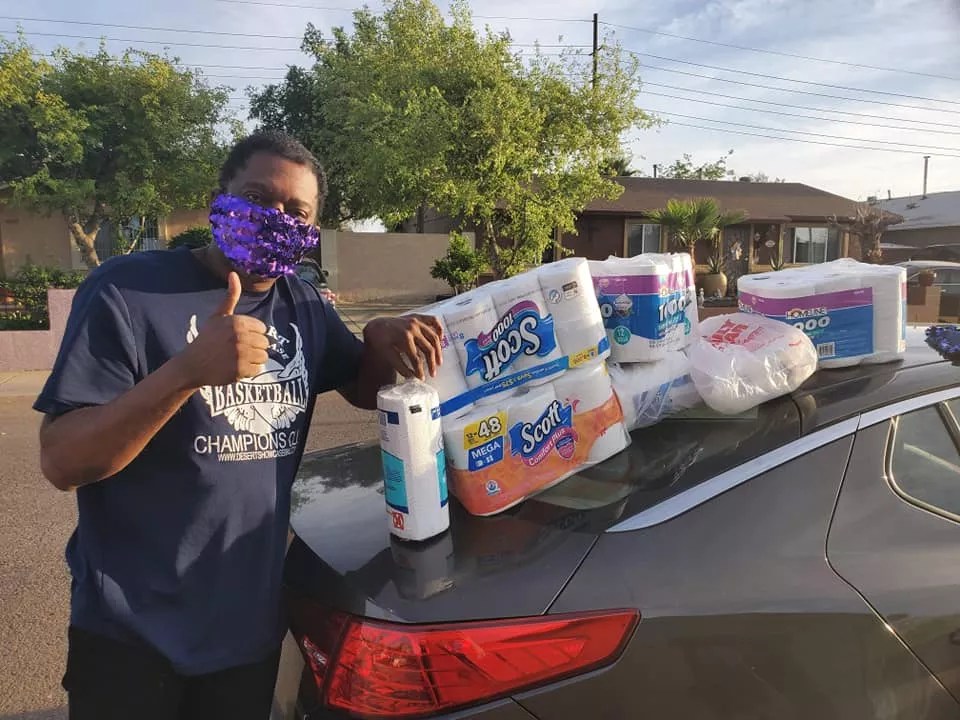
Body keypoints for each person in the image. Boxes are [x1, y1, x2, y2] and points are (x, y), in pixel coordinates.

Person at [34, 130, 444, 720]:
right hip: (131, 632)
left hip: (245, 634)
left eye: (296, 212)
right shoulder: (129, 291)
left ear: (310, 231)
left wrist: (381, 337)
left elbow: (362, 386)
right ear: (217, 201)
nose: (275, 218)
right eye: (257, 198)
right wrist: (186, 373)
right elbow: (62, 461)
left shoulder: (301, 304)